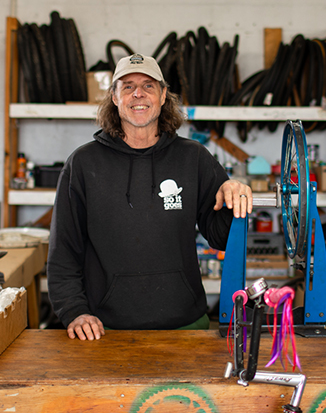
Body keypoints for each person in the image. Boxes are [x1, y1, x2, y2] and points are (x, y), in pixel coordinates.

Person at [47, 53, 253, 341]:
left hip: (186, 325)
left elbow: (221, 237)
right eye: (127, 86)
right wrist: (74, 311)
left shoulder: (193, 158)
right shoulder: (83, 163)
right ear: (115, 97)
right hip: (105, 330)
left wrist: (234, 198)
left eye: (148, 85)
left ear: (163, 95)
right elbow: (63, 251)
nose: (138, 94)